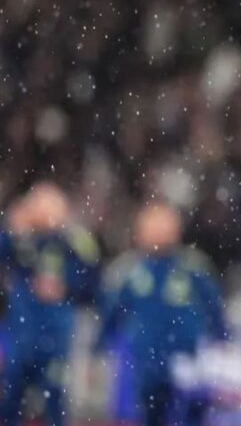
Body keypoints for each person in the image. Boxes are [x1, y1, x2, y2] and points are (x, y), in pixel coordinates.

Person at [97, 203, 228, 426]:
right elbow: (110, 313)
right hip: (146, 363)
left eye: (164, 224)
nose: (159, 232)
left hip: (188, 361)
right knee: (149, 416)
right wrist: (99, 348)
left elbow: (214, 307)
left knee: (190, 416)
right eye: (152, 225)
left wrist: (221, 341)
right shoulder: (128, 270)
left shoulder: (193, 266)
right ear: (139, 230)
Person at [0, 182, 99, 426]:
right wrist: (10, 229)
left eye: (51, 205)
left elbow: (93, 281)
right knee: (10, 397)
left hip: (56, 335)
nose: (45, 212)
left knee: (54, 398)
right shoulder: (19, 239)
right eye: (39, 205)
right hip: (21, 333)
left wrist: (65, 286)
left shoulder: (75, 242)